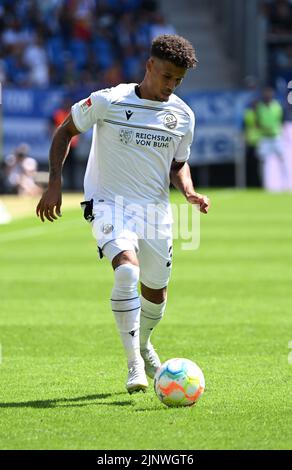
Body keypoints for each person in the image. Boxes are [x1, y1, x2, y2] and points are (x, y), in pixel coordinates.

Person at [36, 34, 210, 394]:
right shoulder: (108, 100)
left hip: (155, 211)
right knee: (126, 270)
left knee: (157, 295)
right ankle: (134, 364)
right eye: (166, 76)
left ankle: (144, 343)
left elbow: (178, 164)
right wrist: (54, 183)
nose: (170, 85)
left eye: (178, 80)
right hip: (108, 203)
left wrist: (189, 190)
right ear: (149, 65)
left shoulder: (182, 115)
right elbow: (64, 131)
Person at [256, 86, 286, 191]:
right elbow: (257, 121)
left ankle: (285, 183)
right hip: (265, 137)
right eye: (266, 93)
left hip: (276, 136)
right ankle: (263, 184)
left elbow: (281, 120)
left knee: (282, 159)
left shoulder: (277, 106)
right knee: (262, 161)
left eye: (270, 93)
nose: (268, 95)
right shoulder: (260, 107)